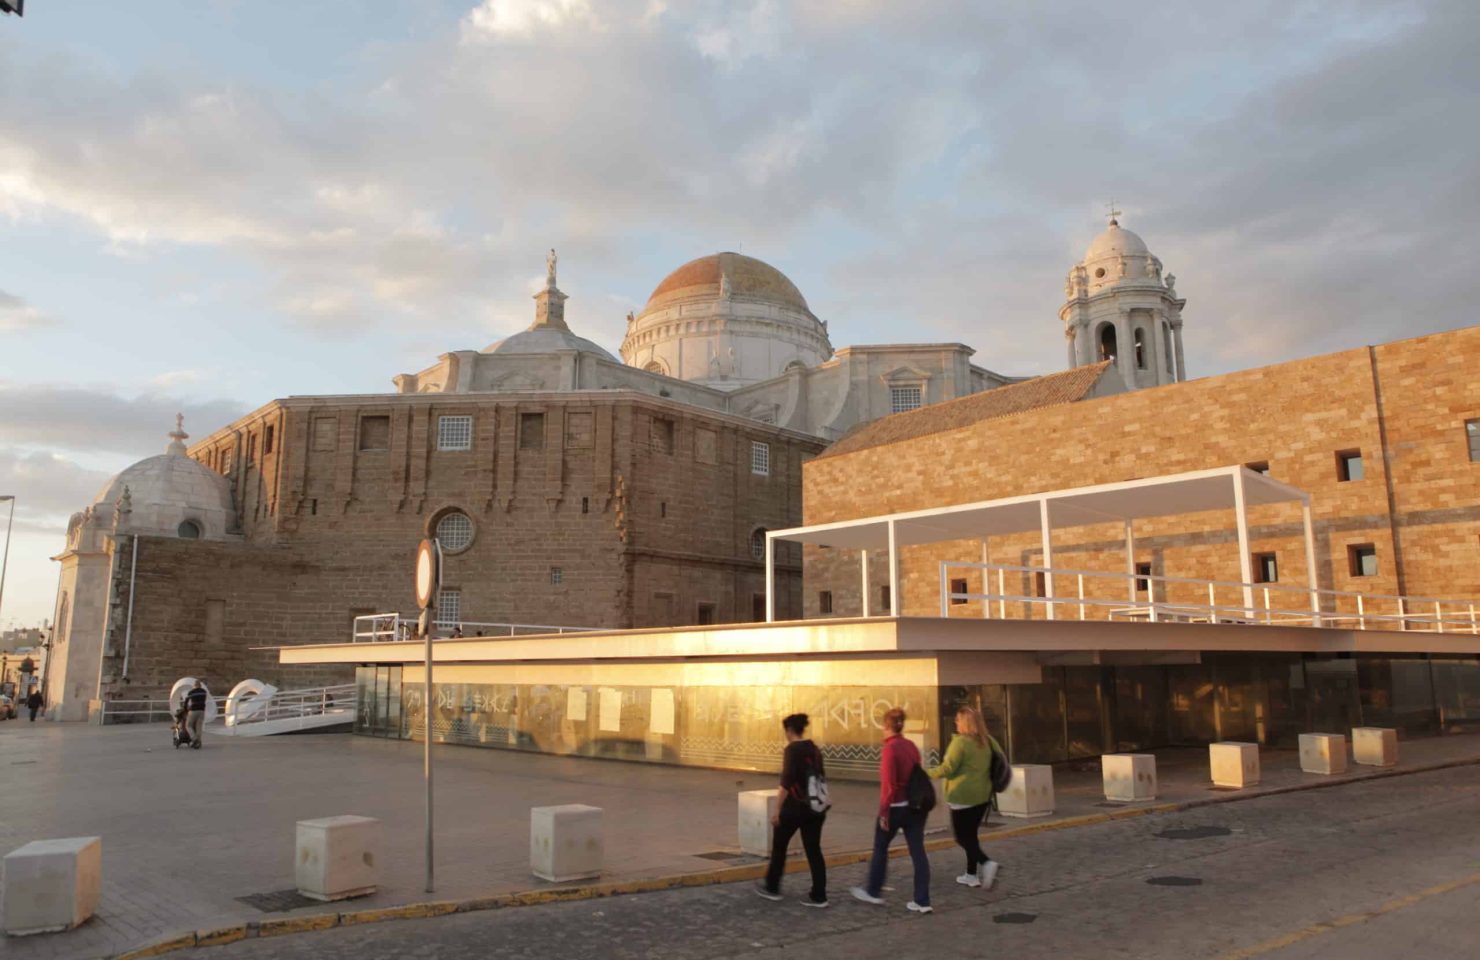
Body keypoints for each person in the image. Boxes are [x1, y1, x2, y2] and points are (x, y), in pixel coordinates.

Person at [851, 707, 932, 914]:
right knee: (918, 852)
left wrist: (884, 813)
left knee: (880, 847)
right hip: (915, 808)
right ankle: (922, 900)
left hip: (895, 807)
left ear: (885, 726)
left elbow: (888, 786)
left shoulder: (890, 749)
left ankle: (873, 891)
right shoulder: (911, 746)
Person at [755, 713, 829, 908]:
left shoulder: (792, 750)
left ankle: (772, 887)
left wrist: (777, 809)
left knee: (780, 845)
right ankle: (819, 895)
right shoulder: (814, 749)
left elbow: (786, 782)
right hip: (815, 807)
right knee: (814, 850)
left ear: (789, 731)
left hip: (795, 806)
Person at [927, 706, 1001, 890]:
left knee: (961, 837)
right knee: (971, 836)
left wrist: (925, 773)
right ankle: (971, 875)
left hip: (962, 796)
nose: (956, 723)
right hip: (983, 796)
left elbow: (948, 769)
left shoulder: (960, 743)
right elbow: (1000, 760)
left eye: (958, 720)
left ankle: (986, 863)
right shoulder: (988, 741)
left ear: (965, 722)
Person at [183, 681, 209, 749]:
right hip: (202, 710)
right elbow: (204, 700)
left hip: (193, 710)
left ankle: (194, 739)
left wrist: (186, 709)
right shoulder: (204, 692)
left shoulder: (191, 692)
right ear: (200, 685)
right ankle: (199, 742)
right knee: (199, 727)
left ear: (194, 686)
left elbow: (186, 702)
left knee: (188, 725)